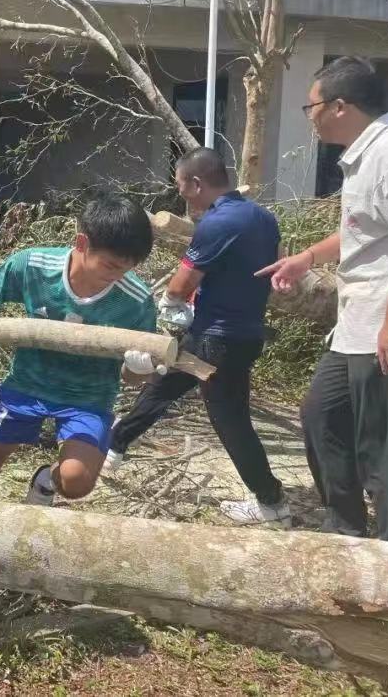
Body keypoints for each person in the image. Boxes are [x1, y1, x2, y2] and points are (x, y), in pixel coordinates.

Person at [0, 194, 163, 505]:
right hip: (27, 384)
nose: (117, 275)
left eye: (128, 268)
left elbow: (131, 378)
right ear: (81, 243)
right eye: (110, 265)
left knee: (76, 482)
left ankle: (47, 480)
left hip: (88, 396)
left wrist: (139, 368)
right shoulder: (34, 265)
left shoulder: (136, 300)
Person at [105, 148, 288, 526]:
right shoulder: (264, 218)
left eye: (181, 186)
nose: (181, 194)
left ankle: (271, 503)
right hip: (239, 333)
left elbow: (183, 281)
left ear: (197, 183)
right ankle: (115, 445)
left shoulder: (216, 223)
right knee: (163, 384)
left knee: (230, 420)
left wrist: (170, 303)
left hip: (217, 340)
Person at [258, 56, 388, 540]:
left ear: (340, 106)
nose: (309, 116)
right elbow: (362, 232)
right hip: (355, 324)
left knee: (379, 450)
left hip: (383, 325)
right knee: (321, 414)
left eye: (310, 106)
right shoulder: (364, 154)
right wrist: (306, 258)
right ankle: (345, 531)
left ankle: (385, 561)